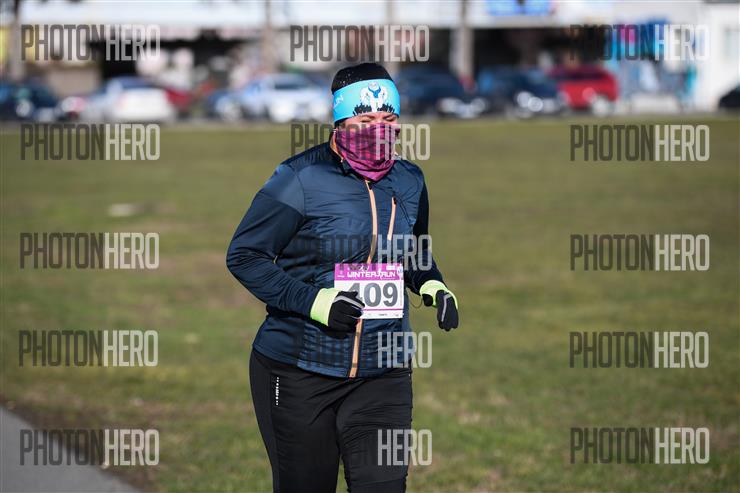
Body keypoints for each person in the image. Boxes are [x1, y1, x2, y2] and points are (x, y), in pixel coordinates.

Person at [226, 62, 459, 493]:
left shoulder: (410, 179)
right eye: (366, 120)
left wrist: (433, 284)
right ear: (339, 120)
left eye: (389, 119)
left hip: (384, 372)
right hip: (300, 372)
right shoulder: (299, 178)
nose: (379, 129)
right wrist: (315, 302)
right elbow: (245, 255)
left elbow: (413, 250)